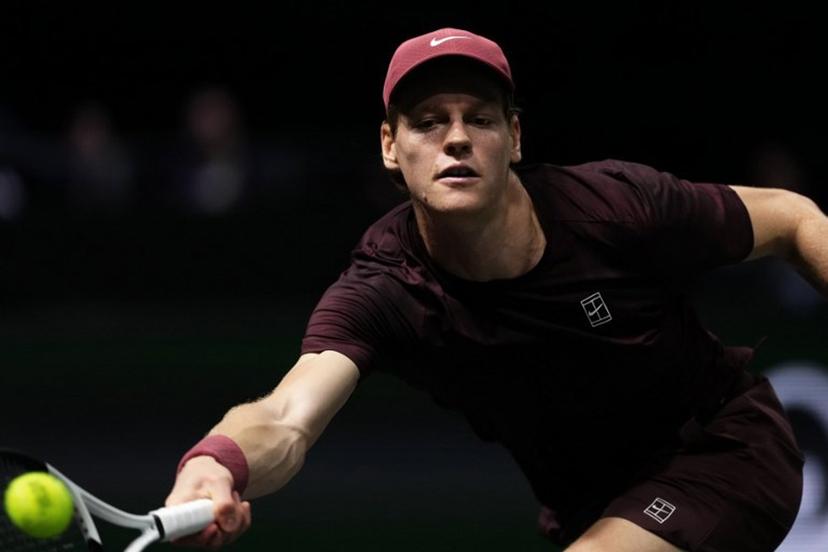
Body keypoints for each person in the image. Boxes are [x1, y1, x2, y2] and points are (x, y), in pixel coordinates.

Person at [165, 28, 827, 551]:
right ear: (391, 147)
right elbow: (286, 417)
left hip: (725, 453)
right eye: (428, 121)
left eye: (478, 117)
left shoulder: (615, 208)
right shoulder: (386, 288)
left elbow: (792, 218)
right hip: (590, 508)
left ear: (513, 137)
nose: (456, 137)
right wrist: (217, 466)